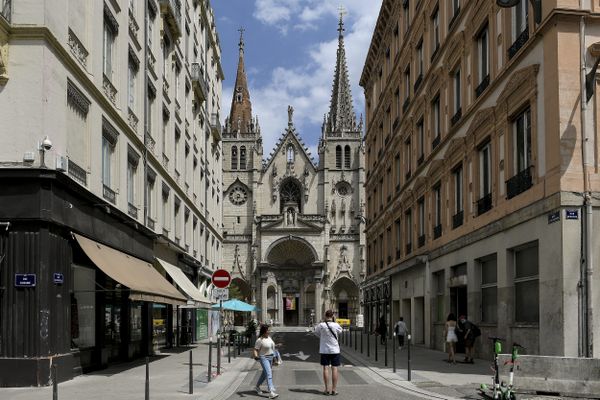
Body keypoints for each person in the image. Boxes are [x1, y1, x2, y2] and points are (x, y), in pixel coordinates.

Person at [315, 309, 343, 396]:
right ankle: (334, 390)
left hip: (324, 350)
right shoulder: (336, 325)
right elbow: (340, 331)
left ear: (325, 316)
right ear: (332, 316)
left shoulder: (321, 325)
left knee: (325, 368)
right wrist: (334, 321)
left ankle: (327, 389)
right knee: (334, 369)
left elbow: (316, 333)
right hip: (335, 350)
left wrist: (323, 336)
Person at [253, 324, 279, 398]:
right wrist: (255, 356)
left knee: (264, 374)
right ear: (264, 331)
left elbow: (272, 349)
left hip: (271, 358)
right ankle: (271, 392)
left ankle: (257, 386)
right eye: (268, 330)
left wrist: (275, 359)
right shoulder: (260, 340)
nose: (269, 331)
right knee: (269, 373)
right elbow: (255, 349)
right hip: (264, 358)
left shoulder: (269, 338)